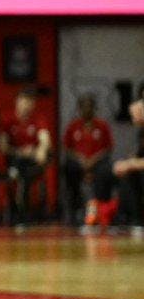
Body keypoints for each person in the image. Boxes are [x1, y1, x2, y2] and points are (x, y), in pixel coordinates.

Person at [0, 88, 51, 226]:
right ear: (17, 102)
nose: (26, 105)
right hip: (14, 159)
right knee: (17, 171)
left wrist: (40, 150)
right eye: (23, 101)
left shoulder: (38, 119)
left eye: (29, 102)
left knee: (28, 173)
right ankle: (16, 211)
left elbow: (45, 140)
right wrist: (20, 152)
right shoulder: (7, 119)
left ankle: (25, 212)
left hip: (32, 161)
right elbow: (3, 146)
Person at [61, 94, 114, 224]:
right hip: (78, 163)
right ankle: (73, 211)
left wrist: (93, 160)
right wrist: (80, 159)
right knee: (68, 167)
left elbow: (108, 148)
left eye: (89, 107)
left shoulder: (102, 126)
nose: (87, 110)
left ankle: (102, 211)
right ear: (79, 109)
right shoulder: (73, 126)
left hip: (97, 162)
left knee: (106, 170)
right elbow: (67, 148)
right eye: (83, 107)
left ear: (94, 108)